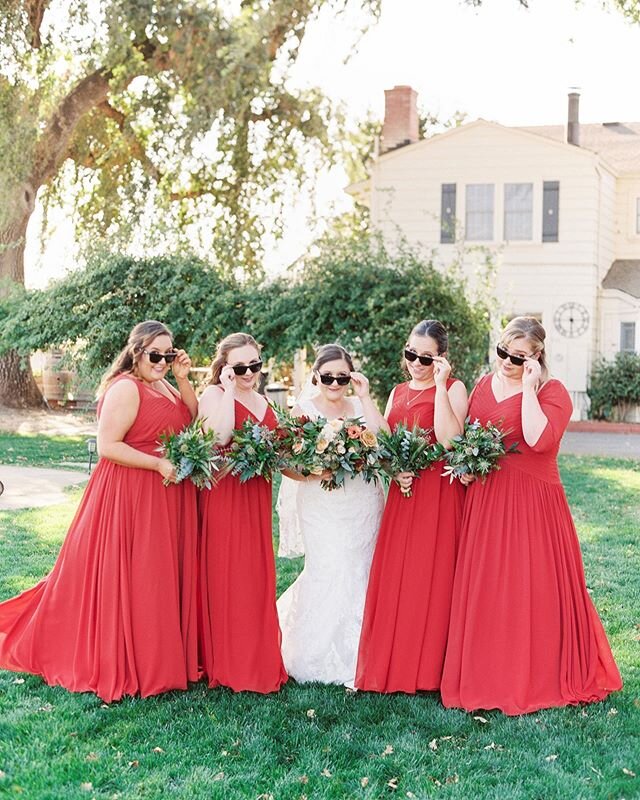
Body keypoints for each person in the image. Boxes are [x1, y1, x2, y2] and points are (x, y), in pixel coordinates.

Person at [0, 320, 200, 702]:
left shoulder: (161, 382)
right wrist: (157, 464)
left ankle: (157, 653)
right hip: (131, 492)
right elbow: (108, 445)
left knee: (156, 573)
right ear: (136, 351)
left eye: (168, 353)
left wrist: (183, 378)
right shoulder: (126, 387)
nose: (162, 360)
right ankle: (134, 657)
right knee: (137, 573)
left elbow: (189, 417)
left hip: (163, 494)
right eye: (155, 354)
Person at [441, 316, 622, 715]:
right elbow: (470, 437)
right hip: (488, 500)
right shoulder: (484, 385)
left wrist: (527, 387)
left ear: (537, 356)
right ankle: (487, 673)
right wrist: (466, 463)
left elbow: (539, 439)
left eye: (519, 356)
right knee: (489, 586)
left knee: (530, 585)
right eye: (503, 351)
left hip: (534, 504)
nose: (507, 361)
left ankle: (533, 674)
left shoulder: (554, 392)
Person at [356, 319, 468, 693]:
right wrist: (393, 471)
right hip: (404, 497)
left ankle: (430, 670)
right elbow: (384, 440)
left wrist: (438, 386)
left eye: (426, 357)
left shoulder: (454, 388)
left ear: (441, 359)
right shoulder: (397, 392)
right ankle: (399, 662)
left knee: (432, 575)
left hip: (439, 495)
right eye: (410, 354)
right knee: (402, 576)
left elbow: (450, 440)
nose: (416, 363)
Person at [276, 343, 384, 687]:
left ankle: (368, 651)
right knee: (329, 567)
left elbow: (384, 439)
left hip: (362, 501)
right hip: (321, 504)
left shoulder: (359, 405)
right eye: (328, 377)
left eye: (342, 377)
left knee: (361, 567)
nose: (335, 383)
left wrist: (366, 397)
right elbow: (285, 463)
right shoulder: (303, 409)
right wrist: (313, 473)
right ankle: (316, 652)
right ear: (316, 376)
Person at [198, 332, 287, 693]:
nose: (249, 372)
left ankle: (255, 655)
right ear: (225, 366)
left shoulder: (265, 401)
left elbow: (282, 451)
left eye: (254, 365)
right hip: (225, 497)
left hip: (256, 498)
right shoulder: (213, 395)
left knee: (253, 575)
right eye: (240, 366)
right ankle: (229, 662)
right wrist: (230, 390)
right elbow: (218, 438)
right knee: (228, 574)